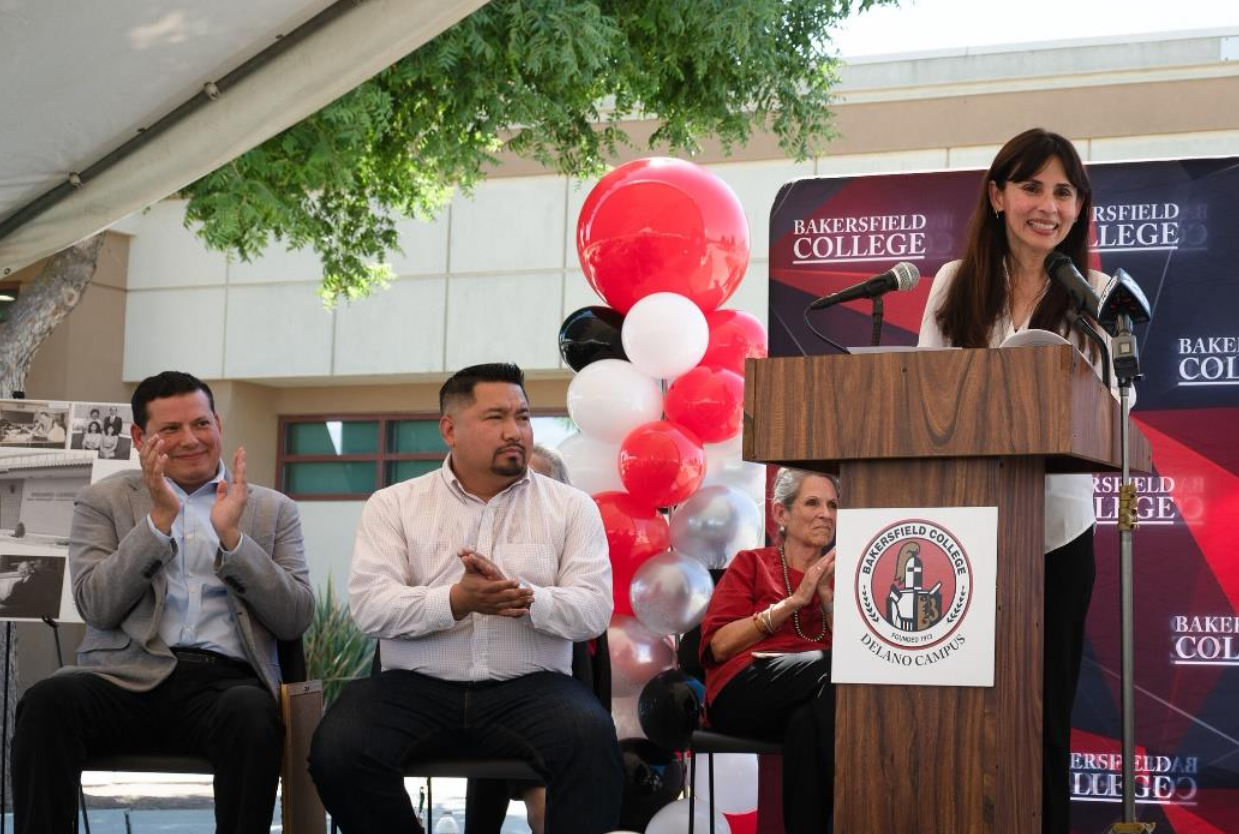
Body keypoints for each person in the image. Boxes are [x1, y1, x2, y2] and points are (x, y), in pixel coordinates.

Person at [309, 363, 622, 834]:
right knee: (339, 748)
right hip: (415, 686)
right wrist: (456, 600)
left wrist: (523, 598)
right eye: (496, 417)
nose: (515, 431)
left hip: (533, 687)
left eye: (523, 416)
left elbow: (593, 610)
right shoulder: (393, 504)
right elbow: (371, 606)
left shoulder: (571, 507)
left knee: (592, 741)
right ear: (449, 429)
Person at [916, 127, 1121, 834]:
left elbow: (1118, 412)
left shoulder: (1095, 295)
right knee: (957, 714)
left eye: (1063, 191)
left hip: (1058, 536)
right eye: (1031, 186)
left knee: (1042, 718)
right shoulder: (952, 283)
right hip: (964, 533)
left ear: (1078, 207)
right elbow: (923, 399)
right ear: (997, 195)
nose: (1048, 204)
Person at [11, 371, 314, 834]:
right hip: (123, 676)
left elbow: (294, 618)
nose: (190, 440)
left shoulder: (271, 509)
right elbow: (97, 606)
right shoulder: (103, 501)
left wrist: (232, 540)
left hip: (224, 684)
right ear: (140, 437)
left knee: (252, 717)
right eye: (170, 430)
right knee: (48, 702)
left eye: (201, 424)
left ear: (218, 423)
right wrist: (157, 523)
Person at [699, 467, 838, 834]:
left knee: (807, 722)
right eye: (813, 502)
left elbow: (860, 653)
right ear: (781, 513)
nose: (826, 513)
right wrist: (794, 602)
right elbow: (720, 644)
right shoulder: (752, 563)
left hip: (810, 697)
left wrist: (825, 601)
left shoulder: (843, 578)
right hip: (743, 691)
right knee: (835, 666)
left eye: (833, 504)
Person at [464, 442, 572, 834]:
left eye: (531, 485)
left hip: (545, 701)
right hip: (469, 695)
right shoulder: (469, 549)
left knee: (542, 798)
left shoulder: (572, 547)